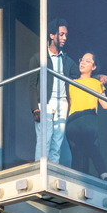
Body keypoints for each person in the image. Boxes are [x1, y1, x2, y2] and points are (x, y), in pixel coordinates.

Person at [31, 18, 79, 164]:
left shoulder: (67, 60)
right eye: (61, 34)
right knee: (44, 139)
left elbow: (80, 77)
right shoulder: (38, 58)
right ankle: (39, 170)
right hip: (46, 102)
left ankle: (52, 172)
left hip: (62, 104)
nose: (64, 38)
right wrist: (34, 108)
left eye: (66, 35)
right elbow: (31, 84)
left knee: (57, 142)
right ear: (52, 35)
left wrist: (98, 76)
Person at [64, 53, 107, 180]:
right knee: (76, 153)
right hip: (73, 120)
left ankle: (105, 176)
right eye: (81, 60)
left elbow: (105, 104)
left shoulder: (96, 83)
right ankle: (77, 180)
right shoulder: (71, 82)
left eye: (88, 61)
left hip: (88, 118)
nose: (83, 62)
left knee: (93, 147)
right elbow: (68, 104)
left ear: (94, 66)